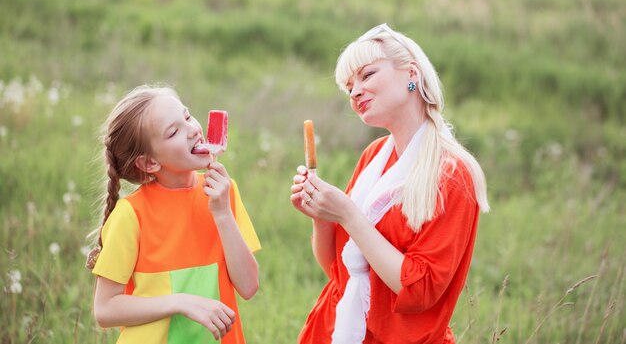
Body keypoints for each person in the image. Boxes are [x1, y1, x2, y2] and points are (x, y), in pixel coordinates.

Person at [290, 23, 490, 344]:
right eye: (349, 86)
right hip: (338, 329)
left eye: (367, 75)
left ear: (411, 74)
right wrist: (322, 216)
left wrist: (348, 215)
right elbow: (338, 268)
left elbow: (419, 290)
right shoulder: (374, 157)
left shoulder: (452, 173)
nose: (355, 92)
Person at [86, 84, 260, 343]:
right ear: (149, 162)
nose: (192, 130)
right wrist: (180, 302)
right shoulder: (131, 214)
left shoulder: (225, 194)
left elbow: (248, 286)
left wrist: (223, 214)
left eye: (187, 116)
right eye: (173, 132)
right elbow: (105, 310)